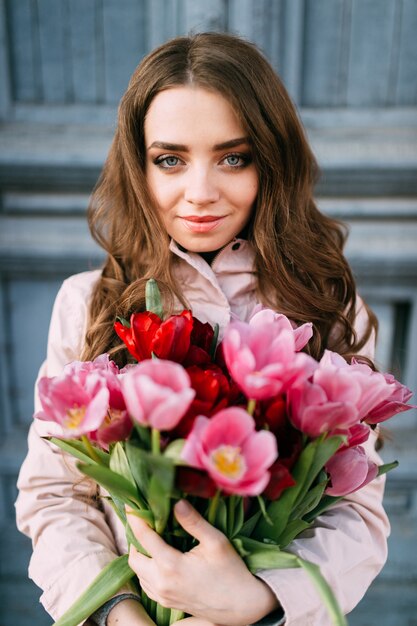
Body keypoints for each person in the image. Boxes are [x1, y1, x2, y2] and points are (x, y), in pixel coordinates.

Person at [15, 32, 389, 626]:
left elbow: (356, 516)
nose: (200, 193)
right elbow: (54, 495)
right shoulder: (87, 304)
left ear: (272, 160)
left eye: (233, 157)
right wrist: (117, 612)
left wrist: (258, 604)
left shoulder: (331, 309)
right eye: (170, 159)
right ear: (138, 166)